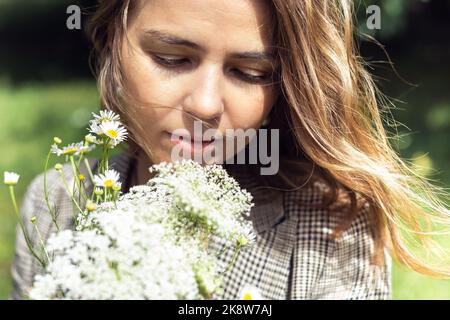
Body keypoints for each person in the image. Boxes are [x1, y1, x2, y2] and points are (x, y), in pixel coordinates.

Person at [11, 0, 449, 300]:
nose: (205, 105)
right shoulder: (56, 204)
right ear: (110, 42)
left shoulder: (335, 230)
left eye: (250, 72)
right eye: (171, 58)